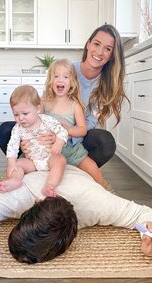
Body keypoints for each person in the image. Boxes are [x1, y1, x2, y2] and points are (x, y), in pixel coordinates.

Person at [0, 166, 152, 263]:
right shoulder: (18, 198)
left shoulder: (98, 203)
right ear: (32, 205)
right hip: (35, 163)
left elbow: (143, 213)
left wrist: (151, 230)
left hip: (76, 167)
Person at [0, 24, 127, 168]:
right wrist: (27, 138)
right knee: (5, 130)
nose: (100, 52)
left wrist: (67, 134)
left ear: (111, 55)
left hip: (77, 134)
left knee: (105, 142)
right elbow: (43, 105)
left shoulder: (106, 84)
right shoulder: (67, 70)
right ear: (88, 44)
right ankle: (32, 160)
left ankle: (75, 169)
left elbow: (90, 121)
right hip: (47, 132)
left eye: (107, 49)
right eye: (96, 44)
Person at [42, 58, 107, 188]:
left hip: (71, 150)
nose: (60, 80)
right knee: (21, 162)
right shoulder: (44, 101)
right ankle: (5, 182)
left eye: (65, 77)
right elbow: (32, 119)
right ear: (50, 80)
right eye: (56, 76)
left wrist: (69, 130)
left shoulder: (75, 105)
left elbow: (82, 129)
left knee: (92, 167)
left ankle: (106, 190)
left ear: (72, 82)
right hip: (48, 148)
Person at [0, 85, 68, 196]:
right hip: (32, 162)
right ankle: (15, 180)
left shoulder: (47, 120)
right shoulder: (17, 128)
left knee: (61, 160)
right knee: (18, 164)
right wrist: (11, 164)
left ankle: (49, 185)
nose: (20, 118)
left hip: (49, 158)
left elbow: (62, 132)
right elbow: (12, 146)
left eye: (25, 113)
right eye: (16, 114)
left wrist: (59, 142)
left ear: (38, 109)